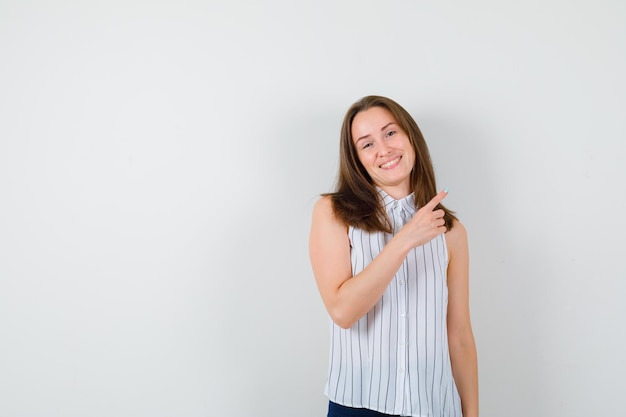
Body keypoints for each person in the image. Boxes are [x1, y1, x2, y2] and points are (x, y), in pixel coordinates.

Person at [309, 96, 478, 417]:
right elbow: (343, 311)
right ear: (357, 159)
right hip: (358, 405)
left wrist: (472, 414)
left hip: (434, 406)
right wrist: (404, 240)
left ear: (410, 137)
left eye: (390, 133)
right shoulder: (332, 213)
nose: (384, 149)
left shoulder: (452, 232)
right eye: (367, 143)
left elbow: (459, 337)